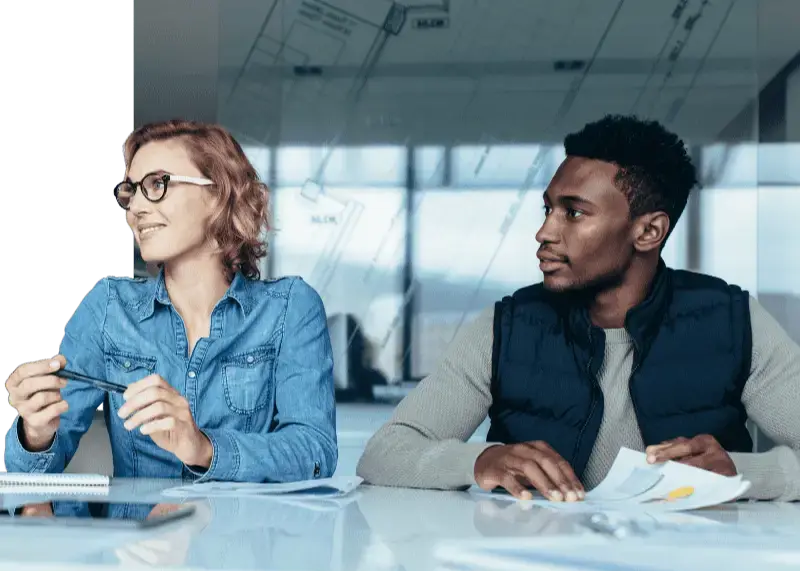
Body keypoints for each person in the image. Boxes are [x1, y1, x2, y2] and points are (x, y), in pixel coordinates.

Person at [356, 114, 800, 502]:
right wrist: (482, 460)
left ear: (648, 231)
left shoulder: (732, 321)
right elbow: (384, 453)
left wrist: (743, 474)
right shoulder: (507, 327)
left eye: (573, 214)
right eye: (548, 209)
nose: (544, 232)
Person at [4, 119, 337, 483]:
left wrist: (203, 447)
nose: (135, 210)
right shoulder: (108, 306)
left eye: (157, 185)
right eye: (131, 192)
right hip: (135, 539)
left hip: (243, 537)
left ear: (218, 193)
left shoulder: (290, 308)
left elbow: (315, 450)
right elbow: (29, 473)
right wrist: (36, 432)